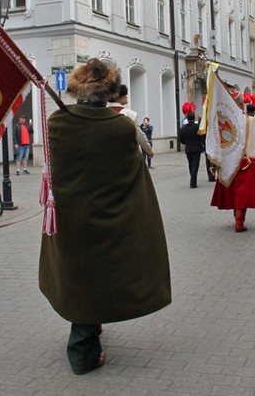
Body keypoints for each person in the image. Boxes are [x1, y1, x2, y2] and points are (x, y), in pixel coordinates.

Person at [39, 58, 171, 375]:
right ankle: (82, 352)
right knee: (97, 274)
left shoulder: (57, 122)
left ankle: (91, 324)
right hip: (109, 217)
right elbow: (132, 172)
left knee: (80, 274)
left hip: (71, 217)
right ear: (108, 93)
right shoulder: (120, 126)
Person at [210, 99, 255, 232]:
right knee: (243, 194)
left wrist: (214, 163)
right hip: (247, 162)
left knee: (234, 192)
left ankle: (237, 219)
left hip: (230, 162)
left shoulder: (228, 121)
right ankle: (239, 221)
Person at [109, 84, 155, 161]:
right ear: (118, 97)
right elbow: (139, 135)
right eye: (124, 95)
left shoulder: (101, 113)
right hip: (125, 155)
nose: (126, 97)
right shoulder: (129, 114)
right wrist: (149, 150)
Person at [178, 111, 204, 188]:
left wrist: (186, 143)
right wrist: (202, 143)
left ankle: (192, 178)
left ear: (187, 118)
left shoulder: (183, 129)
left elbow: (180, 140)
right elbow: (201, 137)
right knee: (195, 165)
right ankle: (193, 182)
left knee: (190, 164)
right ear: (194, 118)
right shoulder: (198, 127)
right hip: (197, 147)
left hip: (188, 148)